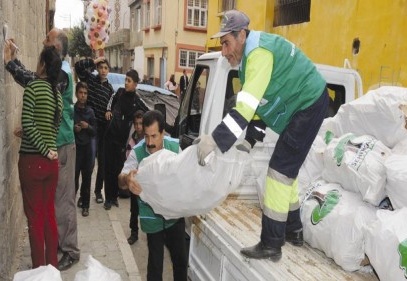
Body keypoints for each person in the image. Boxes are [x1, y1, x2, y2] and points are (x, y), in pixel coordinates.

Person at [195, 10, 329, 262]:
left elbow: (244, 109)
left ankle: (271, 243)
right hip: (304, 106)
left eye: (226, 43)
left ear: (242, 35)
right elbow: (258, 103)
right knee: (286, 170)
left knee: (279, 171)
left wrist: (213, 141)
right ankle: (294, 230)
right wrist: (250, 139)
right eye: (221, 44)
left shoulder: (258, 55)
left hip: (308, 104)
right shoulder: (249, 63)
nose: (224, 51)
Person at [4, 28, 81, 270]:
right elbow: (51, 117)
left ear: (54, 50)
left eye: (47, 40)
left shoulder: (62, 75)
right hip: (52, 152)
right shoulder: (56, 86)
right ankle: (51, 266)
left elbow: (34, 84)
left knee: (57, 206)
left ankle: (66, 252)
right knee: (48, 212)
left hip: (55, 150)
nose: (42, 40)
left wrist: (10, 63)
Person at [118, 110, 188, 281]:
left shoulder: (174, 147)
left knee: (180, 260)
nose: (149, 142)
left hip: (174, 215)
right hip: (151, 217)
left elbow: (186, 176)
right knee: (155, 264)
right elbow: (120, 179)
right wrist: (127, 179)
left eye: (154, 136)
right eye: (146, 136)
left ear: (163, 133)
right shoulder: (137, 151)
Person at [16, 46, 62, 268]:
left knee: (35, 220)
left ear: (43, 64)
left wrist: (43, 149)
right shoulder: (58, 94)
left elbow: (28, 123)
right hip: (51, 165)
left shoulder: (33, 88)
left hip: (33, 162)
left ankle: (38, 272)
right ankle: (51, 268)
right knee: (49, 216)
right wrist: (49, 150)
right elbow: (51, 128)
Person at [103, 69, 148, 210]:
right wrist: (108, 110)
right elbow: (110, 101)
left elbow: (147, 113)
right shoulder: (120, 92)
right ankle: (108, 198)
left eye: (129, 81)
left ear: (135, 84)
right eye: (126, 80)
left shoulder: (137, 101)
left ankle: (114, 197)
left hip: (123, 142)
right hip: (110, 137)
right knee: (108, 169)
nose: (126, 83)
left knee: (118, 170)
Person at [75, 57, 114, 204]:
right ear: (97, 68)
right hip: (89, 130)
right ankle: (82, 196)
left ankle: (98, 192)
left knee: (102, 164)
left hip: (102, 131)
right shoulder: (90, 80)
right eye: (101, 67)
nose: (103, 70)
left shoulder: (110, 89)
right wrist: (95, 60)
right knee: (88, 165)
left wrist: (110, 112)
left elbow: (112, 108)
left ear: (108, 71)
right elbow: (78, 67)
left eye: (106, 68)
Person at [73, 82, 97, 217]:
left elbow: (95, 132)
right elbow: (65, 128)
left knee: (87, 179)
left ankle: (86, 206)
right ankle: (71, 203)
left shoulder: (90, 112)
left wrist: (87, 127)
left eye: (85, 93)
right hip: (76, 150)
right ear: (76, 94)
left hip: (87, 150)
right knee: (74, 180)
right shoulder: (72, 110)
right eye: (81, 93)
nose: (83, 96)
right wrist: (74, 129)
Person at [125, 110, 144, 245]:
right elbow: (128, 158)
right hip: (135, 180)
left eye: (141, 124)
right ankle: (134, 232)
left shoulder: (148, 140)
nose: (138, 127)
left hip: (146, 181)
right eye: (136, 124)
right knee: (134, 209)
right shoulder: (132, 141)